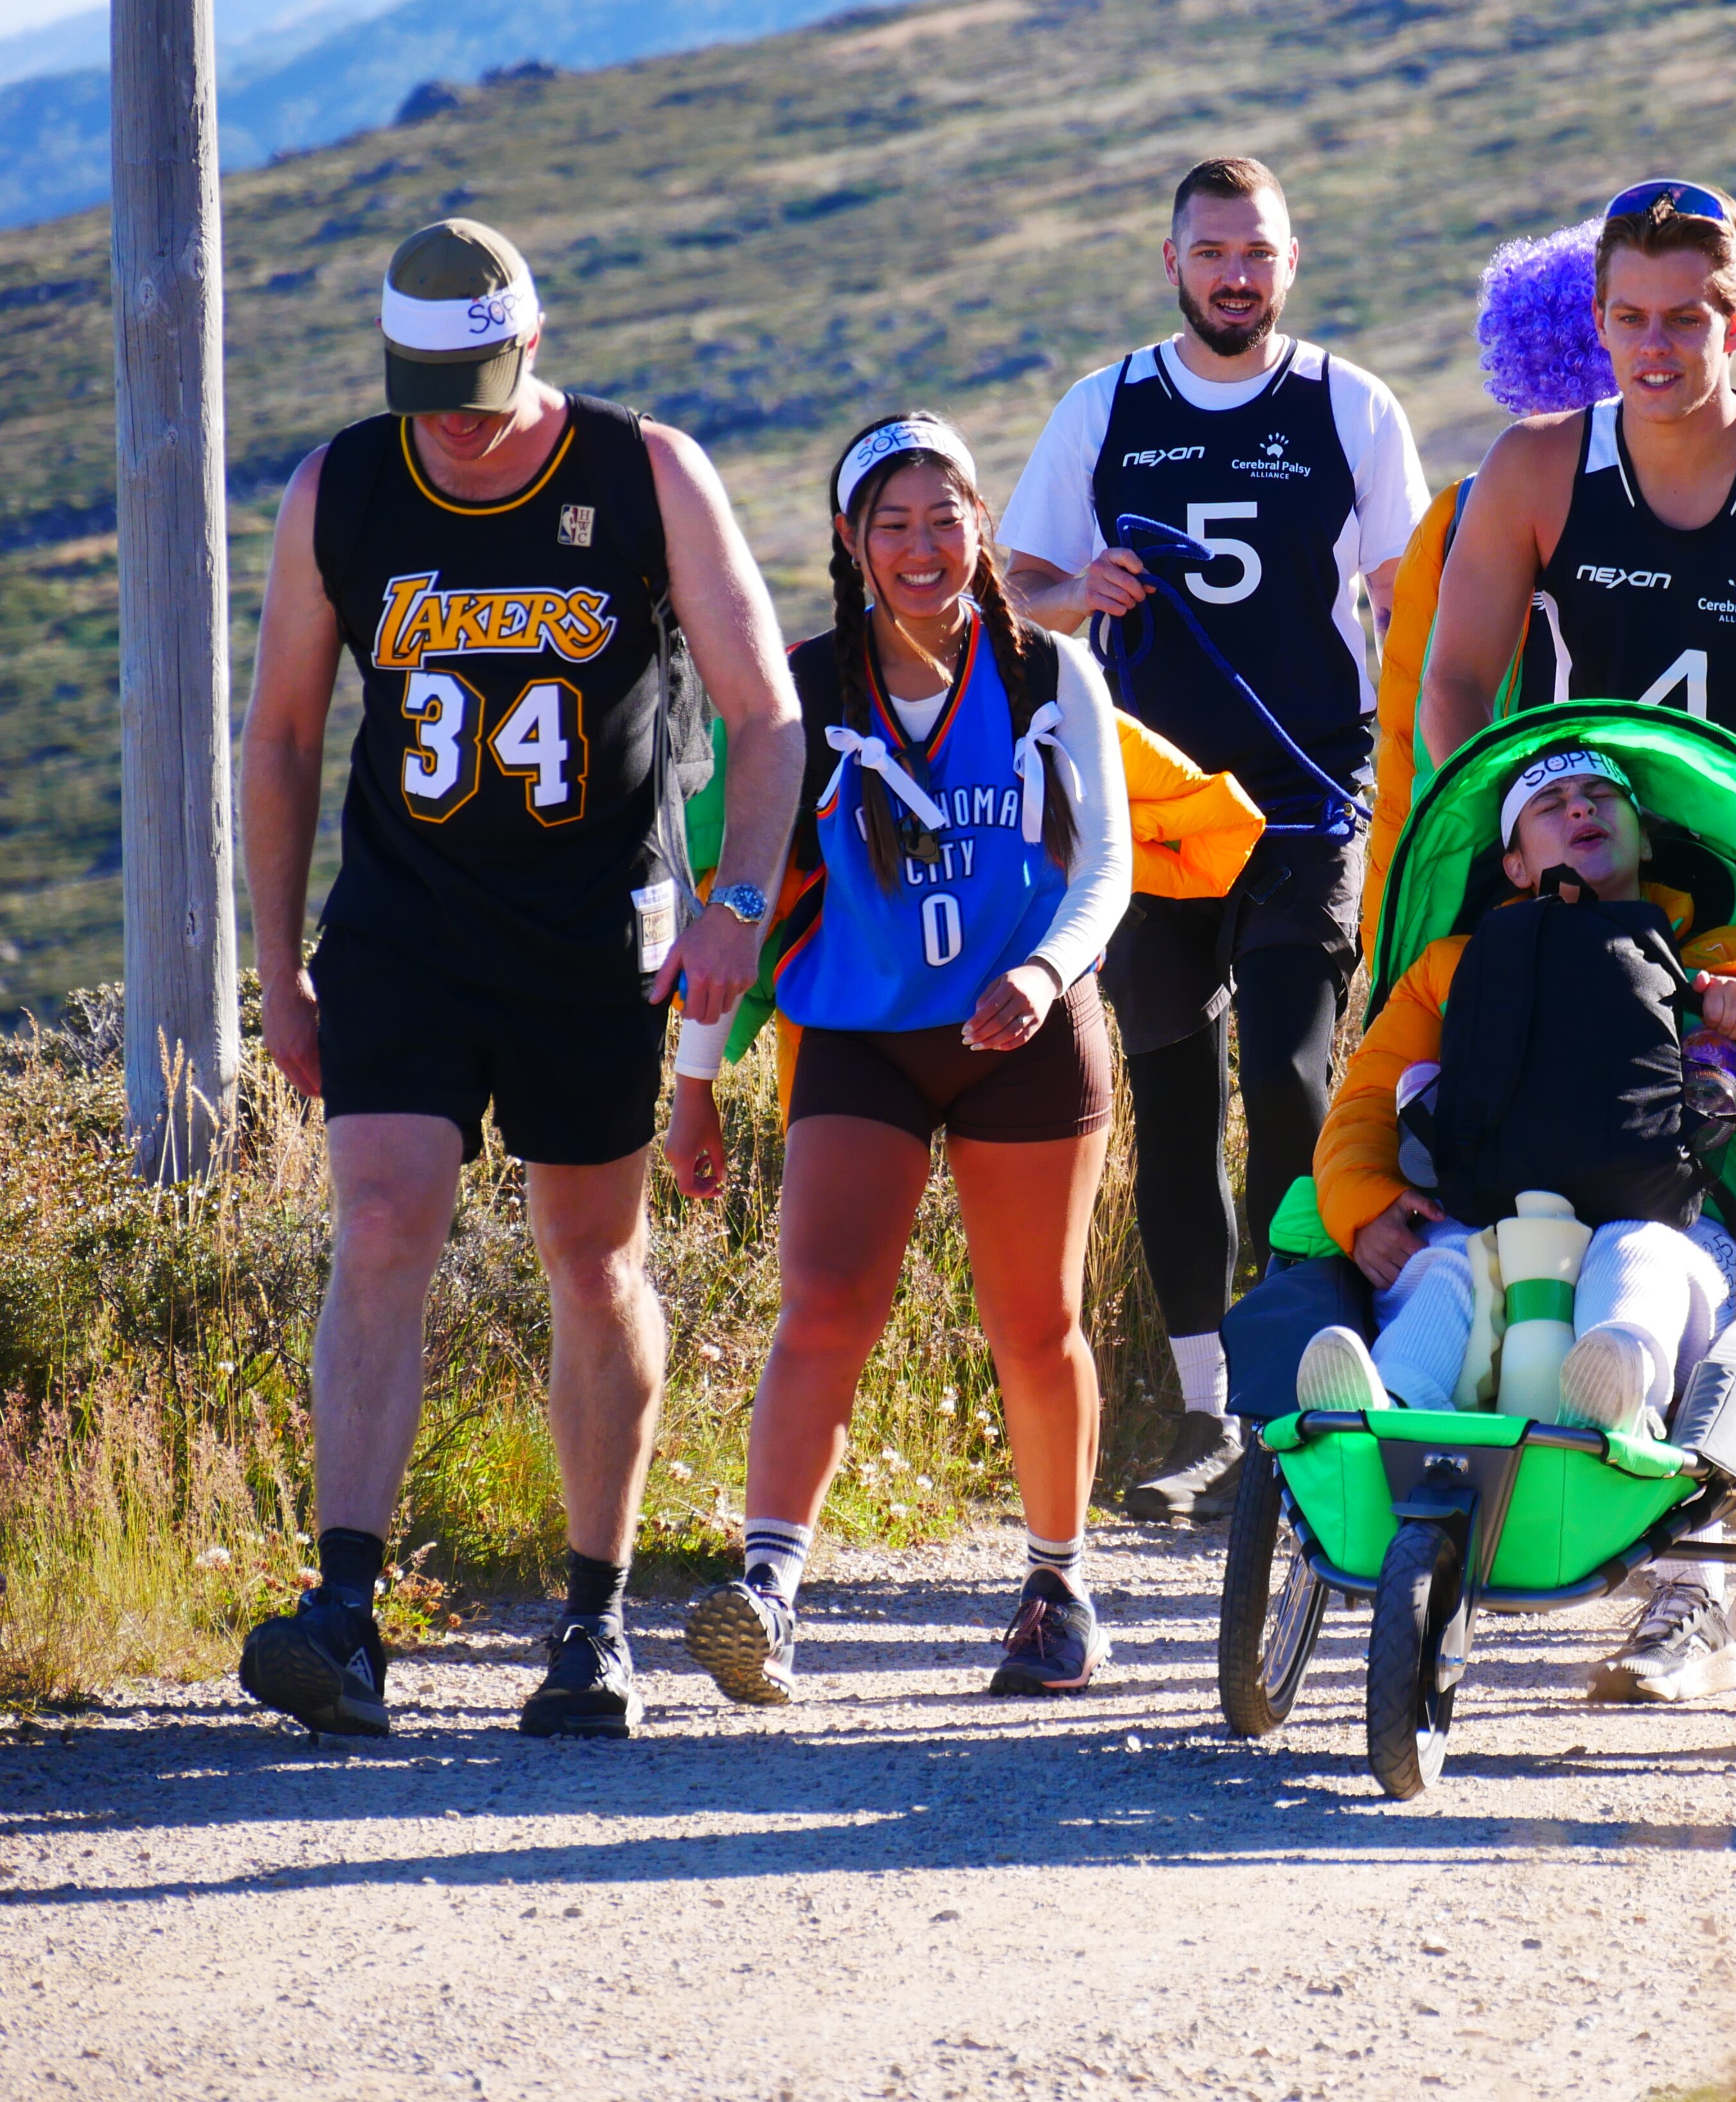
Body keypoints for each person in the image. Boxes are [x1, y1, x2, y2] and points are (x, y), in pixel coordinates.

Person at [234, 219, 803, 1737]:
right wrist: (278, 966)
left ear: (534, 346)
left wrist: (735, 899)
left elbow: (768, 712)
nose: (457, 424)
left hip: (591, 933)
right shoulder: (342, 487)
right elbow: (283, 735)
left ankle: (590, 1618)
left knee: (589, 1252)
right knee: (379, 1211)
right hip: (405, 923)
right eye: (431, 390)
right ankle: (344, 1611)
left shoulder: (643, 472)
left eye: (480, 389)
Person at [663, 414, 1131, 1704]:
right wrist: (694, 1080)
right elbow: (740, 889)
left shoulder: (1049, 674)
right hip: (862, 1035)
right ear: (849, 542)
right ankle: (765, 1591)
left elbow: (1106, 867)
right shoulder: (800, 691)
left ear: (982, 528)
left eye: (944, 519)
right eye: (893, 524)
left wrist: (1042, 974)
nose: (922, 548)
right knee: (823, 1299)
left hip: (1024, 1035)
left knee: (1034, 1320)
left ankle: (1056, 1584)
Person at [1002, 157, 1429, 1523]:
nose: (1235, 275)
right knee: (1176, 1104)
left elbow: (1411, 609)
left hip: (1307, 803)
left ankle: (1305, 1394)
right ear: (1171, 260)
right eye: (1211, 252)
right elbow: (1014, 589)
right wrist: (1080, 587)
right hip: (1153, 814)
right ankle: (1207, 1419)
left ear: (1291, 261)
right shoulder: (1106, 405)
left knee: (1294, 1086)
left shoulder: (1349, 406)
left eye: (1257, 252)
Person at [1306, 747, 1736, 1701]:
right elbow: (1369, 1103)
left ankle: (1617, 1375)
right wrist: (1365, 1203)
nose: (1581, 809)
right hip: (1489, 1231)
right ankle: (1378, 1409)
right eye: (1550, 804)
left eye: (1600, 796)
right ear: (1512, 863)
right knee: (1450, 1273)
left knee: (1641, 1256)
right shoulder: (1453, 973)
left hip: (1678, 1232)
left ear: (1640, 828)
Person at [1419, 179, 1736, 907]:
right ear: (1598, 321)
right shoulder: (1533, 467)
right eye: (1630, 318)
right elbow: (1454, 681)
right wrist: (1523, 834)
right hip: (1599, 883)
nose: (1653, 347)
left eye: (1685, 320)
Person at [1361, 218, 1618, 957]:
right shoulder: (1690, 501)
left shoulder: (1456, 515)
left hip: (1497, 847)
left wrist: (1395, 906)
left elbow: (1407, 722)